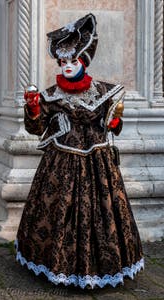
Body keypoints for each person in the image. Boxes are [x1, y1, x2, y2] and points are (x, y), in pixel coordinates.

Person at [15, 13, 144, 289]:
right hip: (60, 161)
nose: (67, 66)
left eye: (72, 61)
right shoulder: (52, 95)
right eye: (63, 62)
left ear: (82, 61)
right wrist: (34, 109)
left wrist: (115, 121)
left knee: (103, 213)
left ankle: (103, 266)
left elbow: (113, 126)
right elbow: (36, 128)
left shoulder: (103, 93)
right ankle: (56, 264)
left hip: (98, 162)